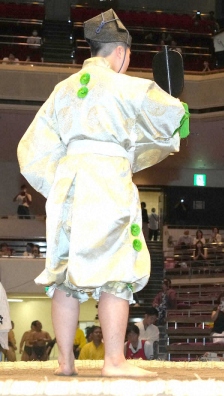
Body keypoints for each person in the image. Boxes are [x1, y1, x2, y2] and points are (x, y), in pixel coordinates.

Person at [17, 9, 189, 378]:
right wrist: (178, 108)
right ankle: (114, 361)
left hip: (69, 182)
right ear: (122, 52)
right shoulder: (125, 85)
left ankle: (65, 362)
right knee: (117, 266)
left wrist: (59, 182)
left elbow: (30, 151)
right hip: (107, 180)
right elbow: (169, 117)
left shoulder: (61, 90)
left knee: (63, 270)